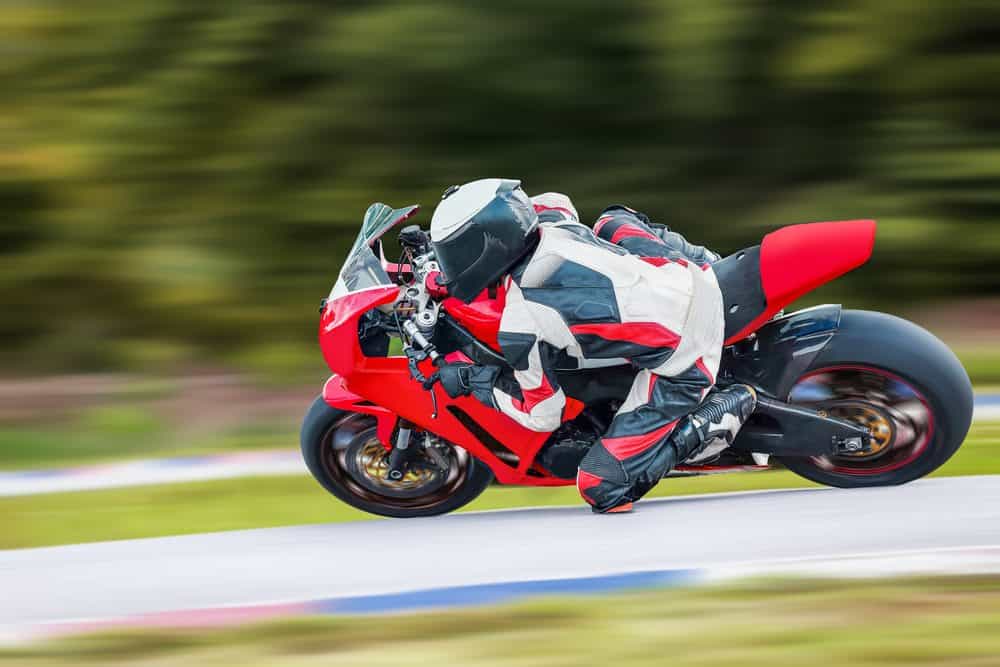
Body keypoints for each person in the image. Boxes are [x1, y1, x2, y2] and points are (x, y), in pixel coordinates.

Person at [428, 178, 757, 513]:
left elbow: (544, 415)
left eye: (455, 251)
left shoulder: (521, 321)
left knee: (601, 489)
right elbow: (555, 198)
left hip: (688, 351)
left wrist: (473, 381)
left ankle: (714, 418)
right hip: (688, 273)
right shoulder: (550, 221)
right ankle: (713, 259)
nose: (452, 260)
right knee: (611, 219)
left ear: (486, 245)